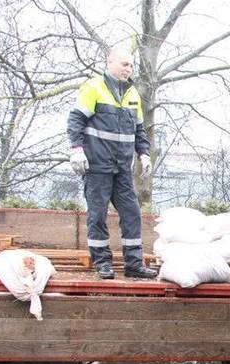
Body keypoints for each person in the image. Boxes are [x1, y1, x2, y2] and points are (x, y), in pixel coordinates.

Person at [67, 46, 157, 280]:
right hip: (97, 166)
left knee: (132, 213)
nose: (129, 69)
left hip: (122, 169)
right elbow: (76, 119)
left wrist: (144, 154)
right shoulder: (94, 87)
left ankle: (134, 264)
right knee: (97, 215)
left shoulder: (132, 94)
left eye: (131, 65)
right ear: (110, 63)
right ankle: (102, 263)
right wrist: (76, 150)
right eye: (124, 64)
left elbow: (139, 129)